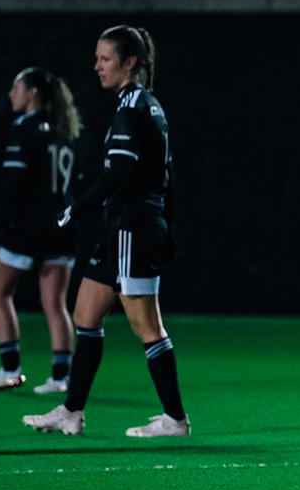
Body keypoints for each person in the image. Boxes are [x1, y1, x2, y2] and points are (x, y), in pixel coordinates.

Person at [22, 27, 189, 438]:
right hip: (125, 228)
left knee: (147, 326)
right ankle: (71, 412)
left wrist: (74, 209)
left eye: (105, 59)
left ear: (130, 62)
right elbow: (166, 174)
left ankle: (175, 420)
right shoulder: (145, 106)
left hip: (133, 227)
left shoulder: (134, 106)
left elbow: (119, 172)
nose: (96, 66)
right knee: (85, 313)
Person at [0, 68, 80, 395]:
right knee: (56, 305)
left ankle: (10, 370)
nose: (11, 94)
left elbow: (13, 182)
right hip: (62, 227)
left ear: (33, 93)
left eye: (16, 87)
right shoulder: (65, 132)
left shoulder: (24, 129)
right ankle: (61, 377)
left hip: (28, 227)